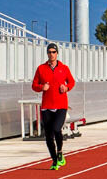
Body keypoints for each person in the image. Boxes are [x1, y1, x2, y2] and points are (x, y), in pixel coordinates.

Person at [32, 42, 76, 170]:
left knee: (57, 129)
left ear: (57, 53)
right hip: (46, 106)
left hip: (61, 105)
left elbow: (72, 82)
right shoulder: (41, 69)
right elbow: (34, 85)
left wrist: (66, 87)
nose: (51, 54)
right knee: (49, 136)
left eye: (53, 52)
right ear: (47, 53)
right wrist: (42, 87)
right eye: (49, 52)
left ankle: (60, 152)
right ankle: (55, 160)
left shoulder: (64, 68)